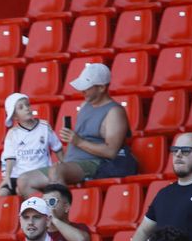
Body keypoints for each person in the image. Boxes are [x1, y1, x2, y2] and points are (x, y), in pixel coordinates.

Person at [29, 62, 129, 192]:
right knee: (24, 180)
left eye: (87, 87)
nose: (83, 91)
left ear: (101, 88)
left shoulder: (114, 112)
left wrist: (78, 141)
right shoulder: (84, 106)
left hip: (94, 163)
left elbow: (110, 152)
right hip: (72, 164)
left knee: (56, 171)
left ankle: (61, 211)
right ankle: (42, 210)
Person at [0, 92, 63, 196]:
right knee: (2, 193)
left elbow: (57, 148)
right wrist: (7, 178)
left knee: (21, 190)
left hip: (41, 173)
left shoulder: (44, 126)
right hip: (17, 176)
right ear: (14, 116)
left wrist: (63, 165)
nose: (26, 108)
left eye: (27, 105)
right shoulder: (12, 134)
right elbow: (10, 158)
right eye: (21, 107)